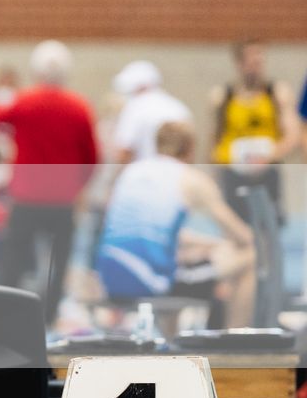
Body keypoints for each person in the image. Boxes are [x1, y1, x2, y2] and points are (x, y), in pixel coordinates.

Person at [0, 40, 100, 328]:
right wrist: (75, 187)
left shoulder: (24, 102)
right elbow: (92, 158)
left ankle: (2, 313)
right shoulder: (79, 108)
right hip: (62, 201)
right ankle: (48, 317)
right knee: (57, 265)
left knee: (14, 259)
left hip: (27, 198)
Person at [94, 122, 256, 329]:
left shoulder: (131, 172)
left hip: (109, 279)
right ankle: (236, 344)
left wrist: (208, 244)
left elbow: (153, 230)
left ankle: (172, 348)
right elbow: (242, 237)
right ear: (190, 149)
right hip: (153, 282)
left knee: (175, 266)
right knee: (253, 254)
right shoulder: (191, 178)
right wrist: (226, 244)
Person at [209, 40, 297, 228]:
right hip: (233, 174)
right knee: (237, 232)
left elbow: (292, 135)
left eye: (260, 62)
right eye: (251, 62)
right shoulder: (222, 96)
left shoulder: (277, 94)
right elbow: (214, 141)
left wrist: (267, 156)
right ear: (239, 63)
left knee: (268, 231)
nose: (256, 67)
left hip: (266, 174)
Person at [109, 60, 191, 167]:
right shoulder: (179, 108)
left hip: (144, 176)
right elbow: (188, 151)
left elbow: (124, 149)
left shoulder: (135, 108)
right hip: (178, 176)